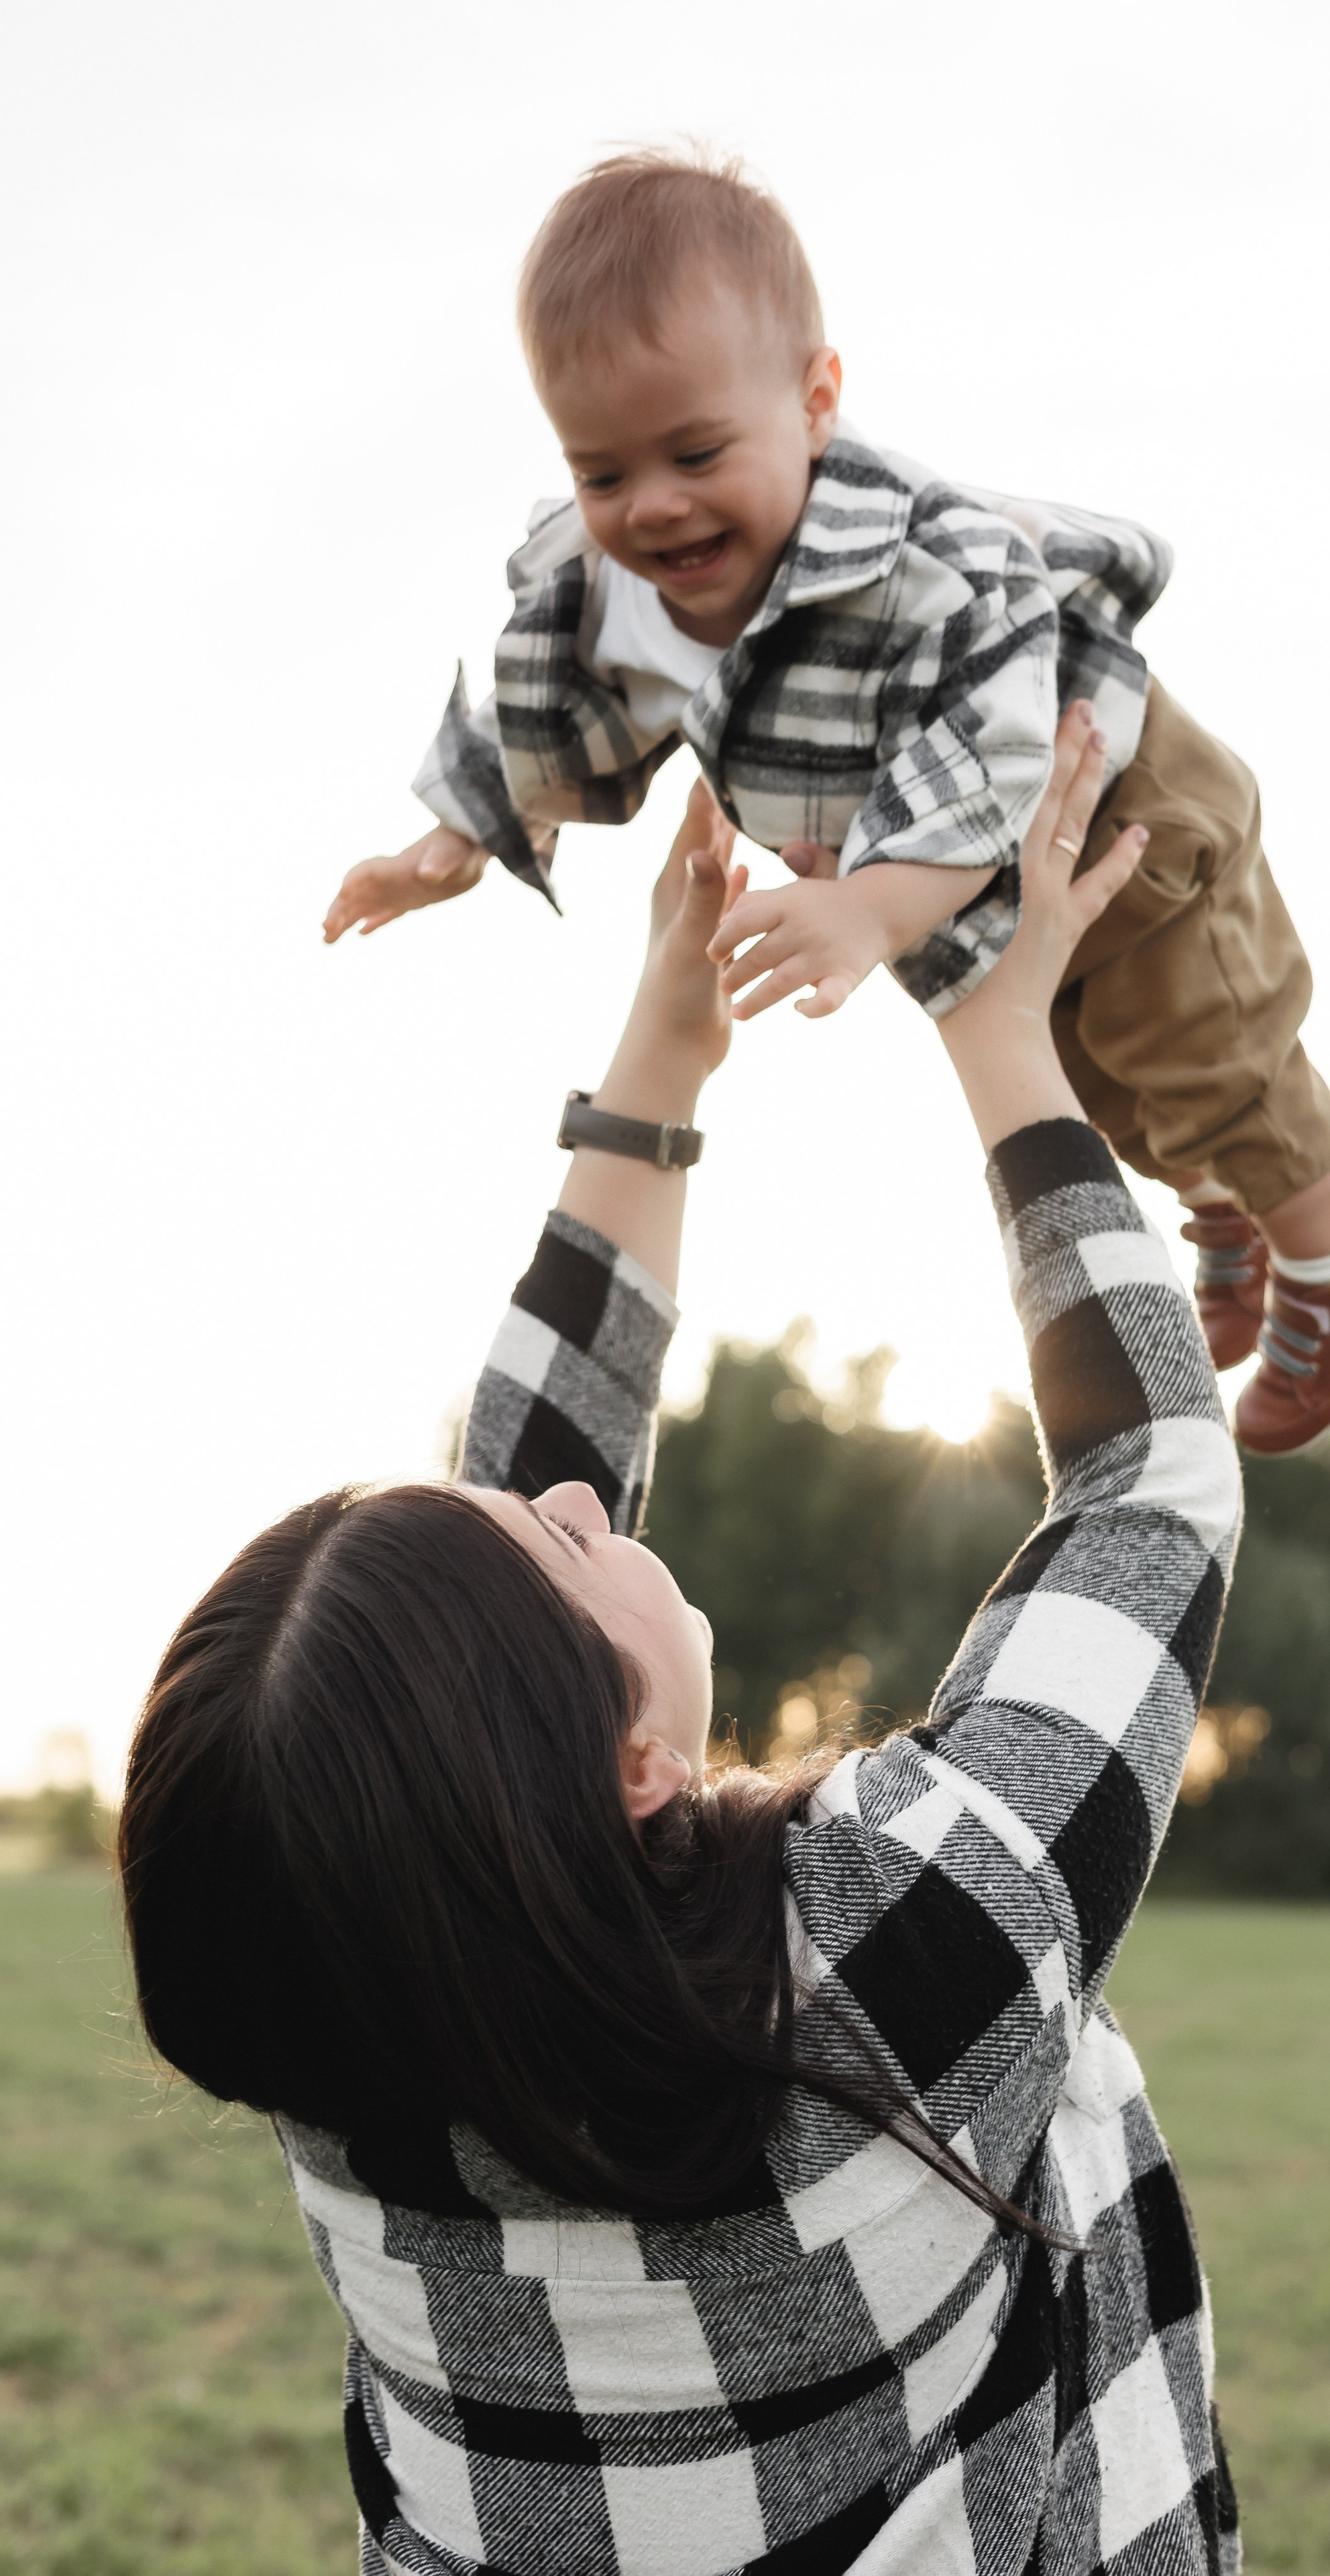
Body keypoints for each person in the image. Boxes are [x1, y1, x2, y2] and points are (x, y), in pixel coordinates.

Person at [125, 711, 1243, 2575]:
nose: (578, 1503)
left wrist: (662, 1051)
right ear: (629, 1764)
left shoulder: (359, 2069)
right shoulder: (894, 1963)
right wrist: (995, 1022)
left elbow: (485, 1639)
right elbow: (1150, 1479)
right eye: (564, 1547)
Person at [321, 148, 1330, 1457]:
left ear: (815, 401)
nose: (655, 507)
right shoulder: (608, 590)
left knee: (1207, 1050)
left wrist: (869, 907)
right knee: (1103, 1082)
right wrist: (445, 841)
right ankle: (1225, 1209)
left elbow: (995, 729)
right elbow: (531, 703)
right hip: (961, 887)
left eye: (695, 451)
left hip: (1113, 797)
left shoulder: (917, 558)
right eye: (603, 474)